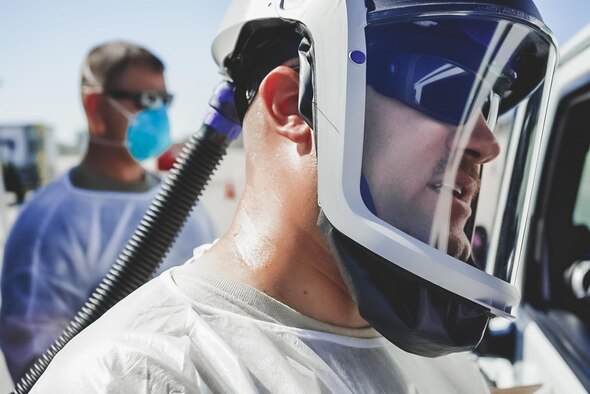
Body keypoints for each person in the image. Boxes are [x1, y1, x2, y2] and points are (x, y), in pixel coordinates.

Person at [30, 1, 557, 392]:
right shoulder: (144, 374)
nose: (488, 142)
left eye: (490, 102)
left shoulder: (444, 362)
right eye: (453, 88)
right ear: (293, 105)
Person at [0, 40, 216, 382]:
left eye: (164, 100)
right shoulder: (45, 224)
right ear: (95, 106)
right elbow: (36, 363)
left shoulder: (186, 205)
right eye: (146, 100)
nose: (158, 113)